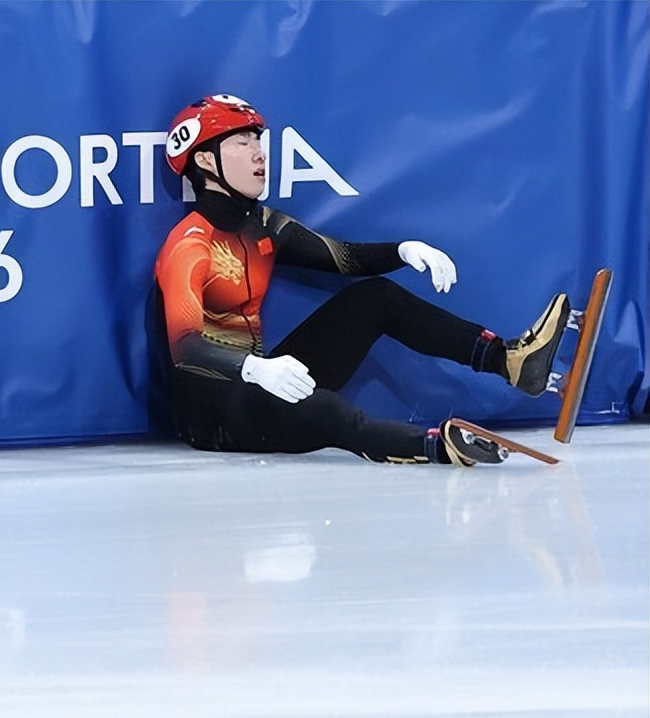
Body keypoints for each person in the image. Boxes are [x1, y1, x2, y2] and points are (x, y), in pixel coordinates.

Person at [152, 94, 569, 467]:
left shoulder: (262, 224)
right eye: (242, 142)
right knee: (328, 412)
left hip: (263, 382)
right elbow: (184, 346)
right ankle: (436, 446)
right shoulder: (189, 244)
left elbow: (343, 257)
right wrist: (255, 368)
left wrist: (402, 250)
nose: (259, 153)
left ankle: (509, 361)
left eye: (258, 140)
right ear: (205, 161)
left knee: (376, 298)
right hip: (213, 416)